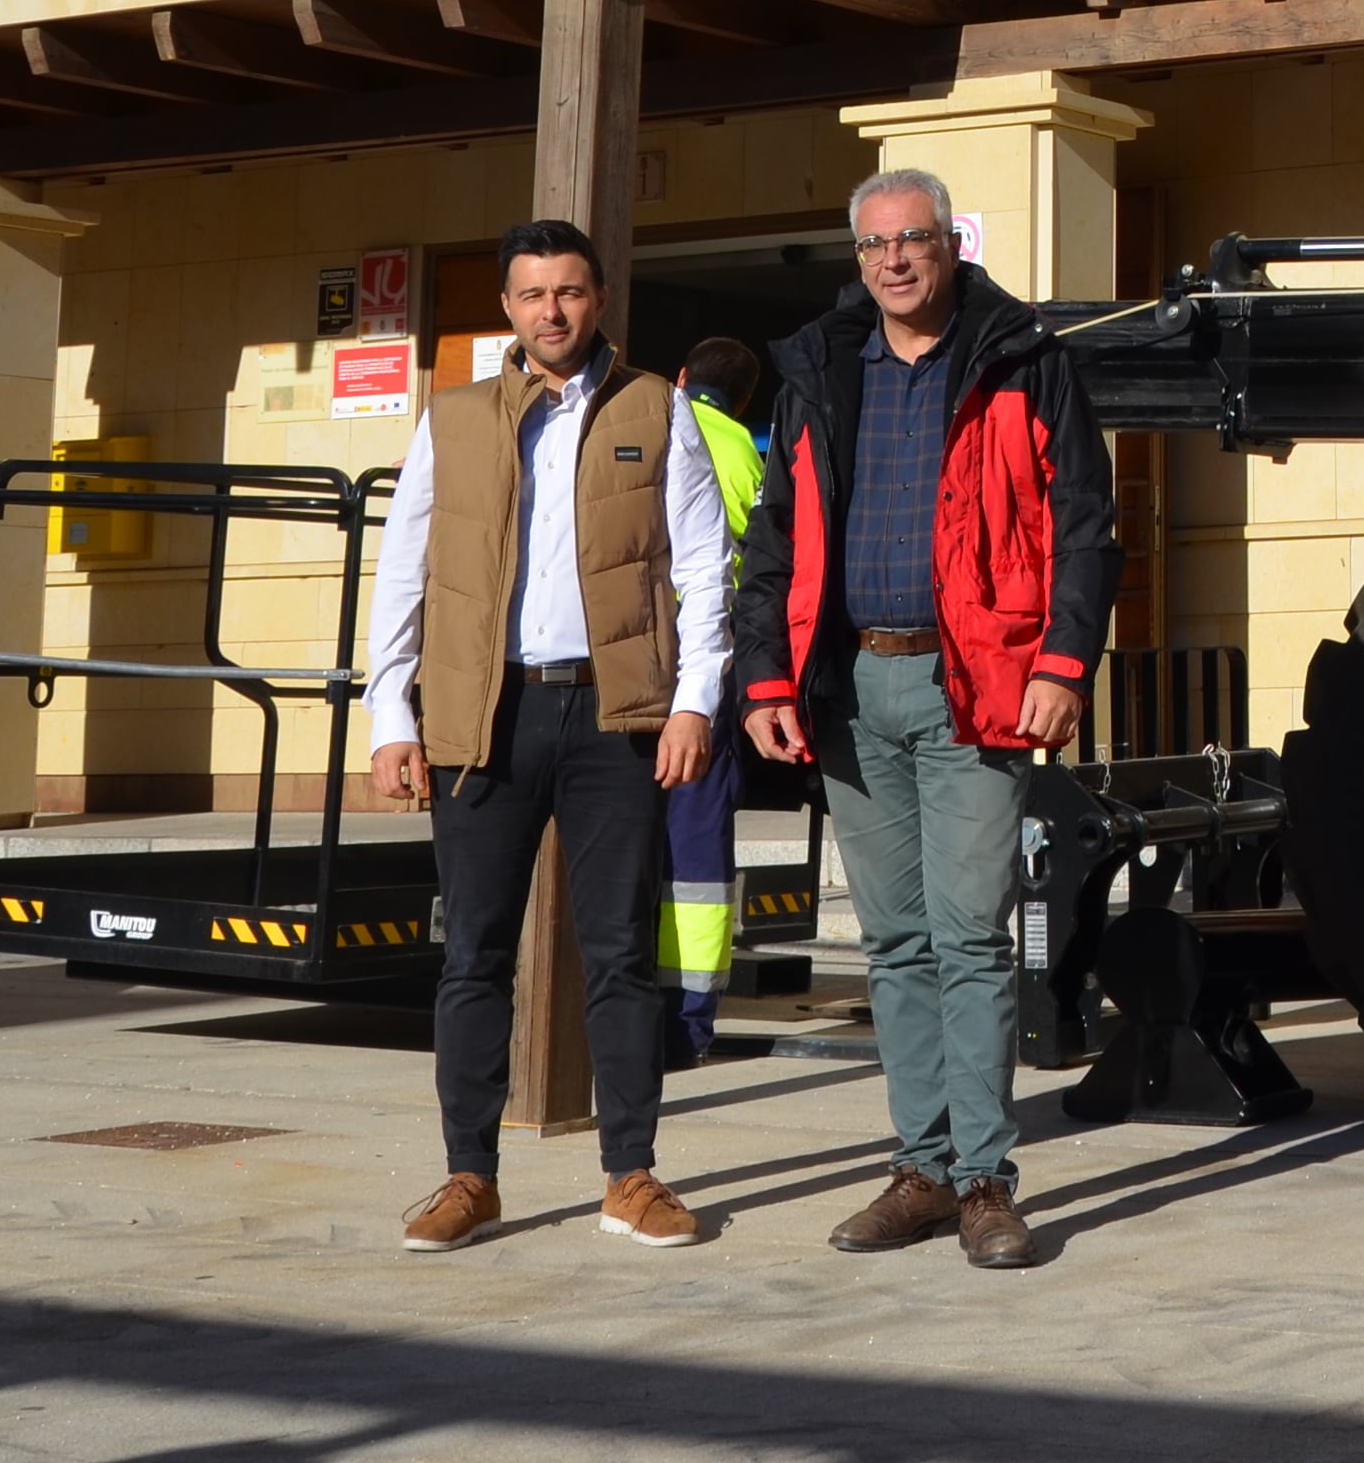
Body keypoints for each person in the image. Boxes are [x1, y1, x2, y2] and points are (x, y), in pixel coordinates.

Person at [736, 170, 1115, 1270]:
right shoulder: (817, 370)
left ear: (951, 246)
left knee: (968, 936)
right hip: (849, 689)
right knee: (893, 942)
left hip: (978, 687)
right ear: (856, 258)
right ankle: (922, 1169)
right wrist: (766, 682)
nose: (894, 260)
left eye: (914, 240)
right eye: (873, 245)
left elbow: (1081, 524)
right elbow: (774, 539)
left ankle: (987, 1181)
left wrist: (1062, 660)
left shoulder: (1022, 358)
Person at [364, 220, 731, 1252]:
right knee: (473, 954)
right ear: (509, 309)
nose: (552, 312)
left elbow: (703, 568)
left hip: (614, 716)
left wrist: (694, 702)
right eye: (533, 295)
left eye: (569, 292)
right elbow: (406, 571)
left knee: (618, 953)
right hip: (484, 718)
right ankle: (466, 1179)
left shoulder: (658, 410)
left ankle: (631, 1176)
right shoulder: (455, 419)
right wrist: (393, 715)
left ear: (599, 299)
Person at [659, 334, 773, 1065]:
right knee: (696, 844)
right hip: (708, 673)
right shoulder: (745, 454)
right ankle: (688, 1020)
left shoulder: (643, 425)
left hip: (628, 662)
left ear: (679, 376)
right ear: (744, 402)